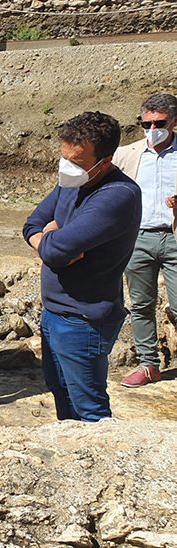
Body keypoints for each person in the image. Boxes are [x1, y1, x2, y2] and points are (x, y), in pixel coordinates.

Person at [23, 111, 141, 422]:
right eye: (64, 158)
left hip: (83, 320)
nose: (67, 167)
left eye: (76, 162)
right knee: (61, 393)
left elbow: (56, 249)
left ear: (104, 160)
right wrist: (47, 238)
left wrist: (52, 240)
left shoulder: (117, 195)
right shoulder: (72, 181)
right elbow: (33, 225)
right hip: (54, 313)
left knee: (89, 409)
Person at [113, 93, 177, 388]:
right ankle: (148, 365)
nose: (152, 128)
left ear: (173, 121)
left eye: (159, 122)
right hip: (138, 238)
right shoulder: (127, 154)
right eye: (146, 123)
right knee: (141, 305)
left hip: (174, 237)